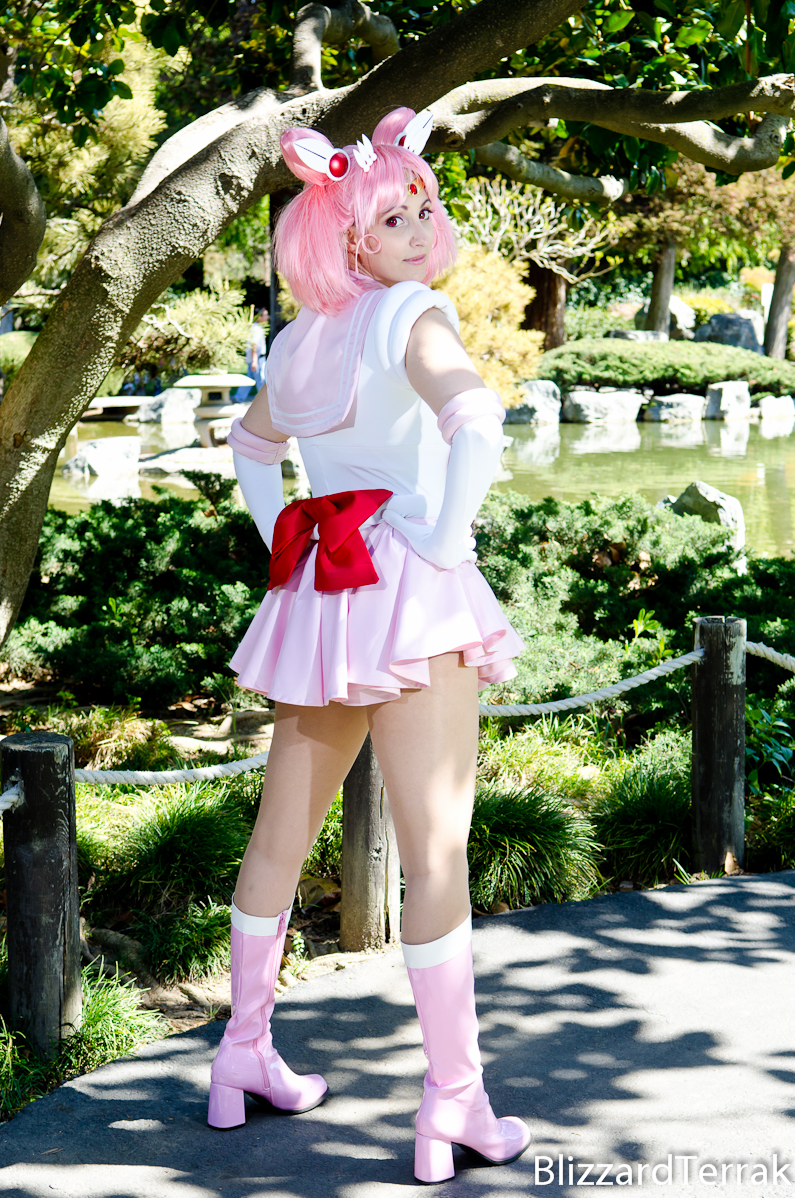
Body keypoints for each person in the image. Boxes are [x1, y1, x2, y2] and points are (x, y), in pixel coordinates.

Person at [209, 107, 530, 1184]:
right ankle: (454, 1101)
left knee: (278, 837)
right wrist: (443, 538)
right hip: (409, 594)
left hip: (323, 587)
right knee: (436, 853)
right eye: (395, 214)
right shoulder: (410, 312)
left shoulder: (301, 338)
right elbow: (476, 420)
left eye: (424, 206)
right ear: (346, 234)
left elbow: (251, 445)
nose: (423, 225)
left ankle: (242, 1052)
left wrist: (285, 540)